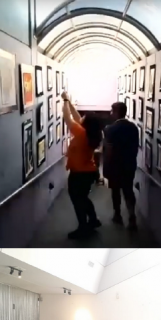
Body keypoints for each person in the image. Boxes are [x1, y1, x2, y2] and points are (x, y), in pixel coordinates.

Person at [61, 90, 102, 239]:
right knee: (83, 198)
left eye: (84, 117)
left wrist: (65, 101)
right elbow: (77, 118)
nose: (81, 117)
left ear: (87, 122)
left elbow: (68, 118)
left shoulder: (81, 133)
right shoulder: (90, 132)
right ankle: (93, 220)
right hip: (88, 171)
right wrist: (69, 102)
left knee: (77, 200)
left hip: (79, 173)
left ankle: (83, 227)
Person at [103, 101, 139, 230]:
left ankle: (117, 215)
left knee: (115, 191)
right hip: (129, 165)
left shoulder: (110, 129)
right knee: (128, 190)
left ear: (117, 112)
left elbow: (109, 151)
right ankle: (132, 216)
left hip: (115, 167)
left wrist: (105, 170)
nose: (111, 114)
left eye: (112, 111)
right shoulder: (134, 128)